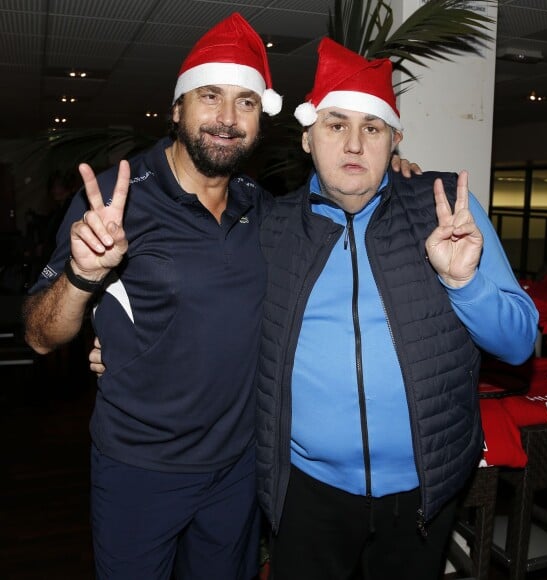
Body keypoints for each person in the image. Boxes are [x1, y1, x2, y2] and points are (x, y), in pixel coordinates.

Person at [22, 14, 417, 580]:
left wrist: (394, 176)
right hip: (141, 468)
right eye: (211, 96)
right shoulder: (116, 197)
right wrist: (83, 278)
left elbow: (342, 195)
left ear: (263, 119)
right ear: (178, 109)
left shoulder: (265, 206)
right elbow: (39, 336)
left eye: (246, 102)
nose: (227, 119)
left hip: (239, 469)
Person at [254, 38, 539, 580]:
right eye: (336, 124)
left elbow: (520, 342)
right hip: (305, 492)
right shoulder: (270, 228)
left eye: (373, 128)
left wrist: (465, 283)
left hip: (422, 490)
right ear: (308, 137)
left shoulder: (446, 207)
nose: (355, 143)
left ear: (395, 141)